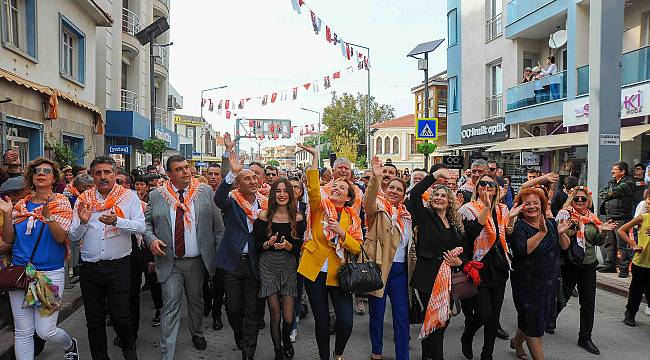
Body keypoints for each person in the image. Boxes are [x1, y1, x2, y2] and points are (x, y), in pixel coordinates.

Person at [144, 155, 224, 359]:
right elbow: (147, 224)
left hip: (196, 261)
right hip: (169, 261)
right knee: (170, 304)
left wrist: (218, 257)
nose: (186, 172)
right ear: (169, 174)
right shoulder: (157, 195)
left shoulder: (204, 192)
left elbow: (218, 227)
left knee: (196, 301)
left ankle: (197, 332)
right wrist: (151, 239)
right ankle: (167, 352)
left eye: (187, 168)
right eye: (179, 169)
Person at [0, 158, 79, 360]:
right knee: (23, 331)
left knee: (46, 331)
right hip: (21, 273)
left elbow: (61, 238)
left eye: (46, 171)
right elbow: (9, 238)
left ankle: (70, 344)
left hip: (49, 273)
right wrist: (8, 214)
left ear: (54, 178)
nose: (41, 173)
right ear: (31, 178)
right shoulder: (21, 207)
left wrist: (49, 217)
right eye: (36, 171)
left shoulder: (61, 203)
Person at [69, 156, 145, 360]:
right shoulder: (83, 199)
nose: (103, 177)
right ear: (92, 176)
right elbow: (73, 236)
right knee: (94, 320)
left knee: (121, 316)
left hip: (119, 267)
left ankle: (128, 347)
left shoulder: (128, 197)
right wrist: (83, 223)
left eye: (107, 172)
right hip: (90, 269)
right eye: (98, 173)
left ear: (114, 174)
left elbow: (141, 226)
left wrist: (118, 221)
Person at [296, 144, 363, 360]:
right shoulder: (319, 207)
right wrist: (316, 157)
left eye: (342, 187)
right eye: (335, 185)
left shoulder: (352, 218)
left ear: (348, 197)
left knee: (345, 321)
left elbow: (357, 247)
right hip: (314, 272)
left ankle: (339, 353)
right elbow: (314, 187)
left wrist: (342, 233)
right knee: (322, 322)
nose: (336, 188)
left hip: (339, 274)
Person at [410, 169, 469, 360]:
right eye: (436, 194)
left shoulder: (455, 222)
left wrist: (459, 261)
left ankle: (427, 354)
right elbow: (415, 193)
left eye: (444, 195)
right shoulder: (425, 216)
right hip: (427, 277)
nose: (439, 197)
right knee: (438, 322)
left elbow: (465, 248)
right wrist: (434, 177)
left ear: (450, 201)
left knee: (441, 321)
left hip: (449, 279)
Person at [214, 150, 266, 360]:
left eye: (255, 177)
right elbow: (218, 198)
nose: (253, 181)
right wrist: (231, 174)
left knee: (253, 312)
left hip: (256, 264)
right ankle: (238, 333)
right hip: (233, 264)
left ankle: (248, 353)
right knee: (234, 309)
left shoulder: (266, 203)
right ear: (238, 184)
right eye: (247, 178)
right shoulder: (231, 201)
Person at [509, 187, 570, 360]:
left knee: (533, 318)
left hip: (548, 281)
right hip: (527, 283)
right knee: (533, 322)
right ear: (521, 207)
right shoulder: (519, 227)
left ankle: (517, 341)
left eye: (535, 203)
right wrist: (542, 233)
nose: (532, 207)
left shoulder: (551, 222)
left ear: (542, 205)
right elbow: (522, 250)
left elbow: (564, 246)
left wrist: (561, 234)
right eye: (527, 204)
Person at [554, 186, 615, 355]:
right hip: (570, 263)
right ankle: (548, 319)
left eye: (583, 199)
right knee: (563, 296)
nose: (580, 201)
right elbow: (562, 242)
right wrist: (570, 230)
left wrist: (602, 232)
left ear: (589, 201)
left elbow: (597, 242)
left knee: (588, 303)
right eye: (576, 198)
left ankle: (585, 337)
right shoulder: (565, 215)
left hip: (588, 264)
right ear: (571, 200)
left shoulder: (592, 218)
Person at [458, 173, 513, 360]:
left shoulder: (503, 209)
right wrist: (486, 208)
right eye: (483, 185)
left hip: (498, 265)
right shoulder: (468, 209)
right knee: (483, 313)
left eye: (491, 185)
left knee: (494, 317)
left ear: (497, 189)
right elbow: (469, 236)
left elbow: (505, 235)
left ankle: (487, 354)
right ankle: (467, 335)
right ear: (477, 188)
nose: (487, 188)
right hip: (478, 265)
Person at [362, 156, 412, 360]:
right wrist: (375, 177)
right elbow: (368, 200)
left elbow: (409, 246)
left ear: (403, 194)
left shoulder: (407, 215)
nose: (394, 191)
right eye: (391, 187)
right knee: (377, 315)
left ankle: (403, 355)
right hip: (381, 269)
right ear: (385, 188)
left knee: (402, 317)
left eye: (399, 189)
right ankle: (377, 351)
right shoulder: (377, 210)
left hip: (400, 272)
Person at [254, 178, 305, 359]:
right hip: (267, 266)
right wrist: (268, 244)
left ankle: (286, 338)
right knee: (275, 314)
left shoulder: (298, 218)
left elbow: (300, 247)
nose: (282, 194)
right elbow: (257, 245)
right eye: (278, 191)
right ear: (273, 194)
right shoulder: (263, 216)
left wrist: (288, 247)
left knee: (289, 318)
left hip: (289, 267)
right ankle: (278, 351)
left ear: (290, 194)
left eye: (285, 191)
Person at [598, 161, 635, 277]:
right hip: (610, 217)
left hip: (622, 218)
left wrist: (610, 193)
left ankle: (624, 269)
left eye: (615, 169)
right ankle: (610, 265)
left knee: (622, 245)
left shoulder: (629, 182)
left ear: (623, 171)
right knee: (609, 243)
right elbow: (601, 193)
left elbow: (615, 191)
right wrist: (610, 193)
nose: (612, 171)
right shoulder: (611, 182)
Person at [616, 201, 650, 327]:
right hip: (641, 262)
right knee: (636, 291)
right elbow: (621, 230)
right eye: (648, 203)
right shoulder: (643, 218)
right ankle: (630, 315)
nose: (648, 205)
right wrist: (634, 244)